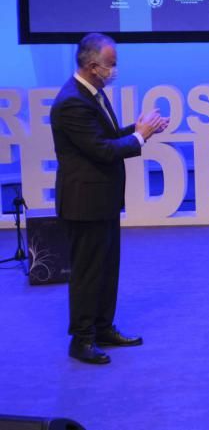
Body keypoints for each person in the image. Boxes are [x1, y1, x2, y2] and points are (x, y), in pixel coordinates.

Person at [50, 33, 167, 364]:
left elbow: (106, 136)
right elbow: (101, 150)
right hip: (84, 203)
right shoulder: (72, 101)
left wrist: (140, 128)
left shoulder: (93, 94)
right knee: (88, 272)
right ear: (92, 66)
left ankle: (103, 327)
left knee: (107, 268)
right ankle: (82, 338)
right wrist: (139, 137)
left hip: (102, 199)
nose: (114, 70)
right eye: (111, 64)